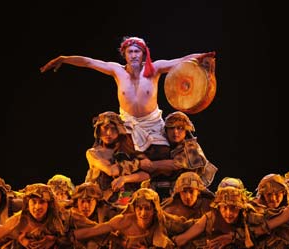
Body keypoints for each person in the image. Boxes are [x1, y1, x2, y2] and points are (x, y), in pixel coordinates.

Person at [40, 36, 216, 159]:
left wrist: (201, 57)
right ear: (124, 54)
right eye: (130, 51)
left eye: (137, 52)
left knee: (169, 153)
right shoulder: (117, 70)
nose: (133, 55)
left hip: (153, 125)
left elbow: (183, 60)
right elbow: (88, 62)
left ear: (143, 54)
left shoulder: (155, 69)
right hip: (127, 126)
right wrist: (63, 59)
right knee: (113, 157)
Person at [73, 187, 195, 249]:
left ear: (154, 209)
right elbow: (92, 231)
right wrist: (66, 236)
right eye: (139, 208)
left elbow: (188, 225)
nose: (143, 213)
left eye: (147, 208)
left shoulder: (164, 220)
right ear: (134, 208)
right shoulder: (123, 221)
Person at [140, 111, 218, 199]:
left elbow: (174, 164)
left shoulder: (191, 147)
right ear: (166, 130)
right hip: (160, 190)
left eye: (180, 128)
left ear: (186, 130)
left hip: (186, 193)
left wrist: (149, 164)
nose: (175, 132)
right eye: (171, 128)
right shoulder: (161, 144)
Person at [172, 177, 267, 249]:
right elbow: (183, 237)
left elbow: (267, 225)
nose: (228, 213)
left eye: (233, 207)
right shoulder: (210, 217)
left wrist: (235, 237)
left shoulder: (249, 215)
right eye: (224, 207)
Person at [85, 111, 151, 206]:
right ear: (99, 130)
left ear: (119, 130)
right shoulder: (94, 153)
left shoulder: (128, 149)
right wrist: (138, 164)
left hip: (126, 200)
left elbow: (147, 174)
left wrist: (125, 178)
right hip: (101, 203)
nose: (108, 133)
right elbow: (111, 171)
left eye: (113, 129)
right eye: (105, 128)